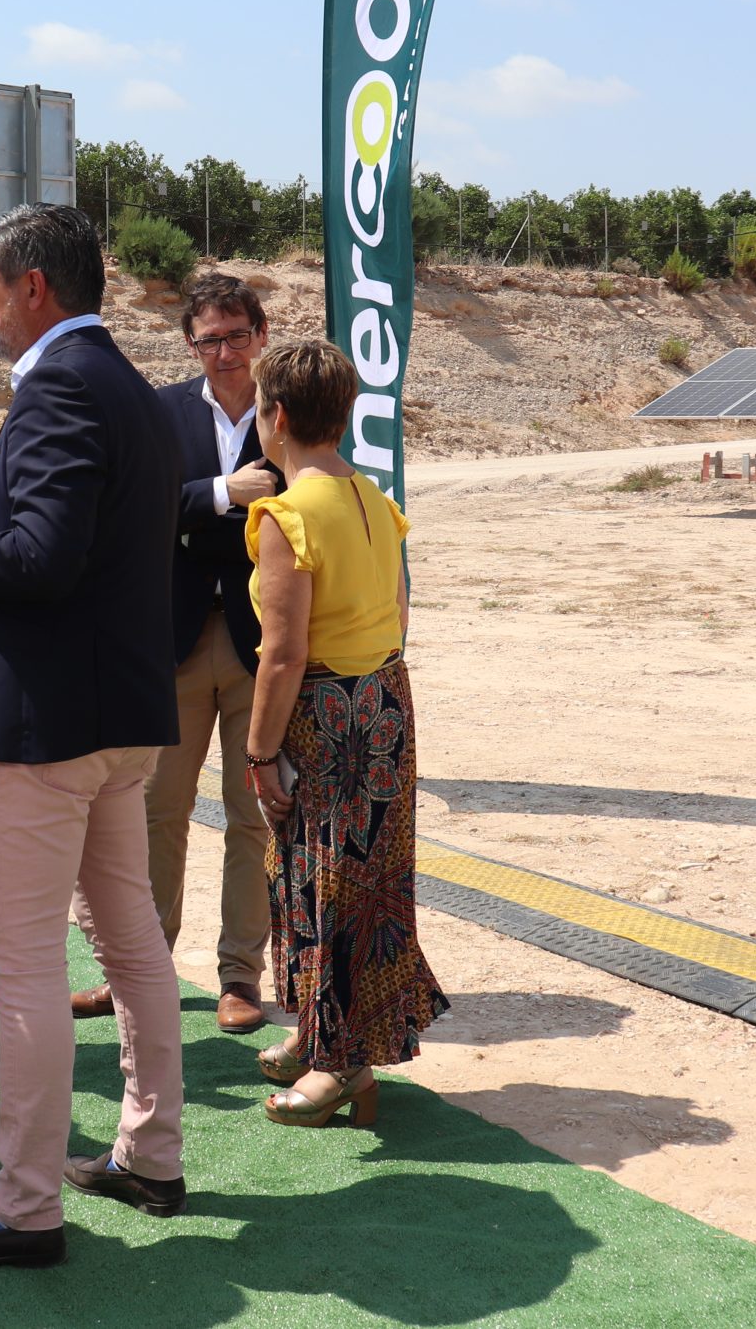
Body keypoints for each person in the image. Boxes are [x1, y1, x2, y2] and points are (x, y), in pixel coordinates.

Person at [0, 203, 186, 1269]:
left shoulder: (61, 385)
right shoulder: (134, 390)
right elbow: (81, 545)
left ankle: (22, 1207)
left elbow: (44, 559)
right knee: (133, 943)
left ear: (32, 287)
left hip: (49, 726)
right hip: (115, 718)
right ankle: (151, 1154)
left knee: (24, 964)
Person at [240, 339, 447, 1129]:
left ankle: (339, 1060)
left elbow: (282, 653)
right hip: (384, 701)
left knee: (321, 879)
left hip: (326, 713)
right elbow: (397, 612)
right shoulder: (373, 499)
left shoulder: (285, 515)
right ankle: (320, 1034)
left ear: (277, 415)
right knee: (364, 880)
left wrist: (260, 751)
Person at [71, 271, 277, 1033]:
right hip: (175, 638)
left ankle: (240, 975)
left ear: (261, 334)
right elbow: (138, 508)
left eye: (236, 335)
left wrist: (197, 513)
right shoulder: (160, 410)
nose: (224, 352)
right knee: (159, 811)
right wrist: (224, 493)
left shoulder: (287, 410)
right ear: (189, 344)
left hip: (264, 641)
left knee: (252, 814)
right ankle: (138, 970)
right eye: (209, 339)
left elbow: (300, 496)